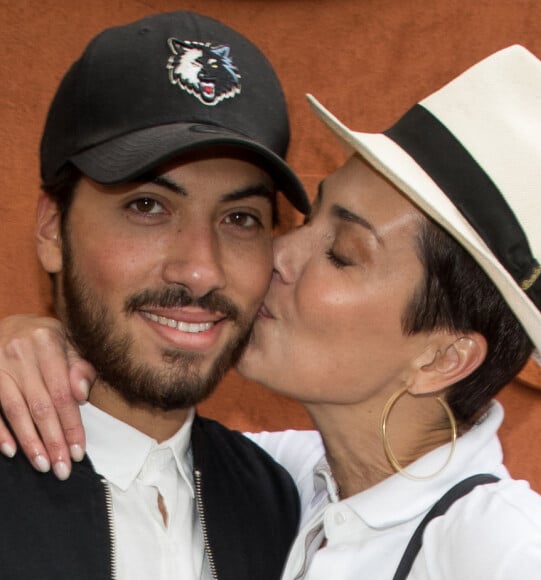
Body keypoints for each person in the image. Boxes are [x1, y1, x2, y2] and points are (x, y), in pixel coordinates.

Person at [2, 46, 541, 579]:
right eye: (308, 219)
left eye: (341, 254)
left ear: (442, 357)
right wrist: (30, 340)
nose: (278, 254)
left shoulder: (507, 552)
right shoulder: (285, 479)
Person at [0, 10, 313, 580]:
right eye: (147, 206)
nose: (199, 271)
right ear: (52, 230)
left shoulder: (282, 504)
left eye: (240, 218)